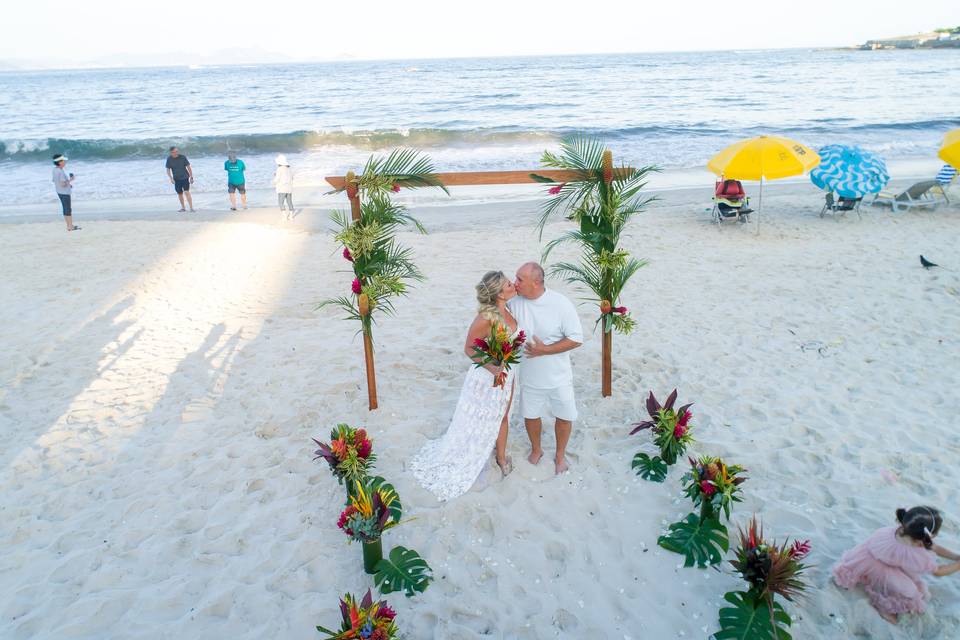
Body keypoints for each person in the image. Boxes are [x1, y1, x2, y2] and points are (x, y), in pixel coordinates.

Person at [410, 271, 520, 501]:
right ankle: (491, 456)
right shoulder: (486, 318)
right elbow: (469, 348)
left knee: (504, 416)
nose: (514, 285)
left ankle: (500, 457)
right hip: (487, 377)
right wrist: (492, 367)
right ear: (500, 293)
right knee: (482, 418)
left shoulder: (508, 308)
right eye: (509, 284)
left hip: (508, 373)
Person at [507, 262, 583, 475]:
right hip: (530, 376)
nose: (515, 283)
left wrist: (545, 350)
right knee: (530, 415)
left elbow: (576, 339)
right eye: (515, 278)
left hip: (559, 376)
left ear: (536, 282)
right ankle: (537, 449)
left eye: (520, 279)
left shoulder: (560, 304)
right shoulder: (514, 303)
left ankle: (559, 455)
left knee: (564, 415)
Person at [832, 506, 960, 624]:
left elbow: (932, 546)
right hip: (879, 569)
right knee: (909, 592)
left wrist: (956, 557)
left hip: (869, 556)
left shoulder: (904, 529)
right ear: (923, 537)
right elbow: (938, 572)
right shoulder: (912, 552)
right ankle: (884, 608)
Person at [51, 154, 80, 232]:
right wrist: (71, 180)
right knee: (68, 209)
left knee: (65, 208)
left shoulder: (54, 170)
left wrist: (68, 185)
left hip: (59, 192)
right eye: (63, 160)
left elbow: (55, 181)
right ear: (60, 162)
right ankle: (70, 227)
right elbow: (63, 184)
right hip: (64, 193)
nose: (65, 162)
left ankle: (69, 225)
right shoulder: (60, 171)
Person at [165, 146, 194, 212]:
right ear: (171, 153)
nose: (176, 153)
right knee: (180, 193)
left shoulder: (183, 157)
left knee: (186, 192)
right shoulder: (169, 159)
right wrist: (171, 178)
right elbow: (168, 170)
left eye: (177, 151)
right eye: (174, 152)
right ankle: (183, 208)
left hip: (185, 177)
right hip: (176, 179)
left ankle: (191, 208)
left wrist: (191, 177)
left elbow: (188, 167)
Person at [272, 154, 295, 220]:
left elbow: (277, 178)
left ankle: (284, 216)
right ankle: (291, 216)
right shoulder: (289, 169)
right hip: (289, 188)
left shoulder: (279, 169)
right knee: (289, 202)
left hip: (282, 188)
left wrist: (273, 182)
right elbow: (292, 178)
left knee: (281, 202)